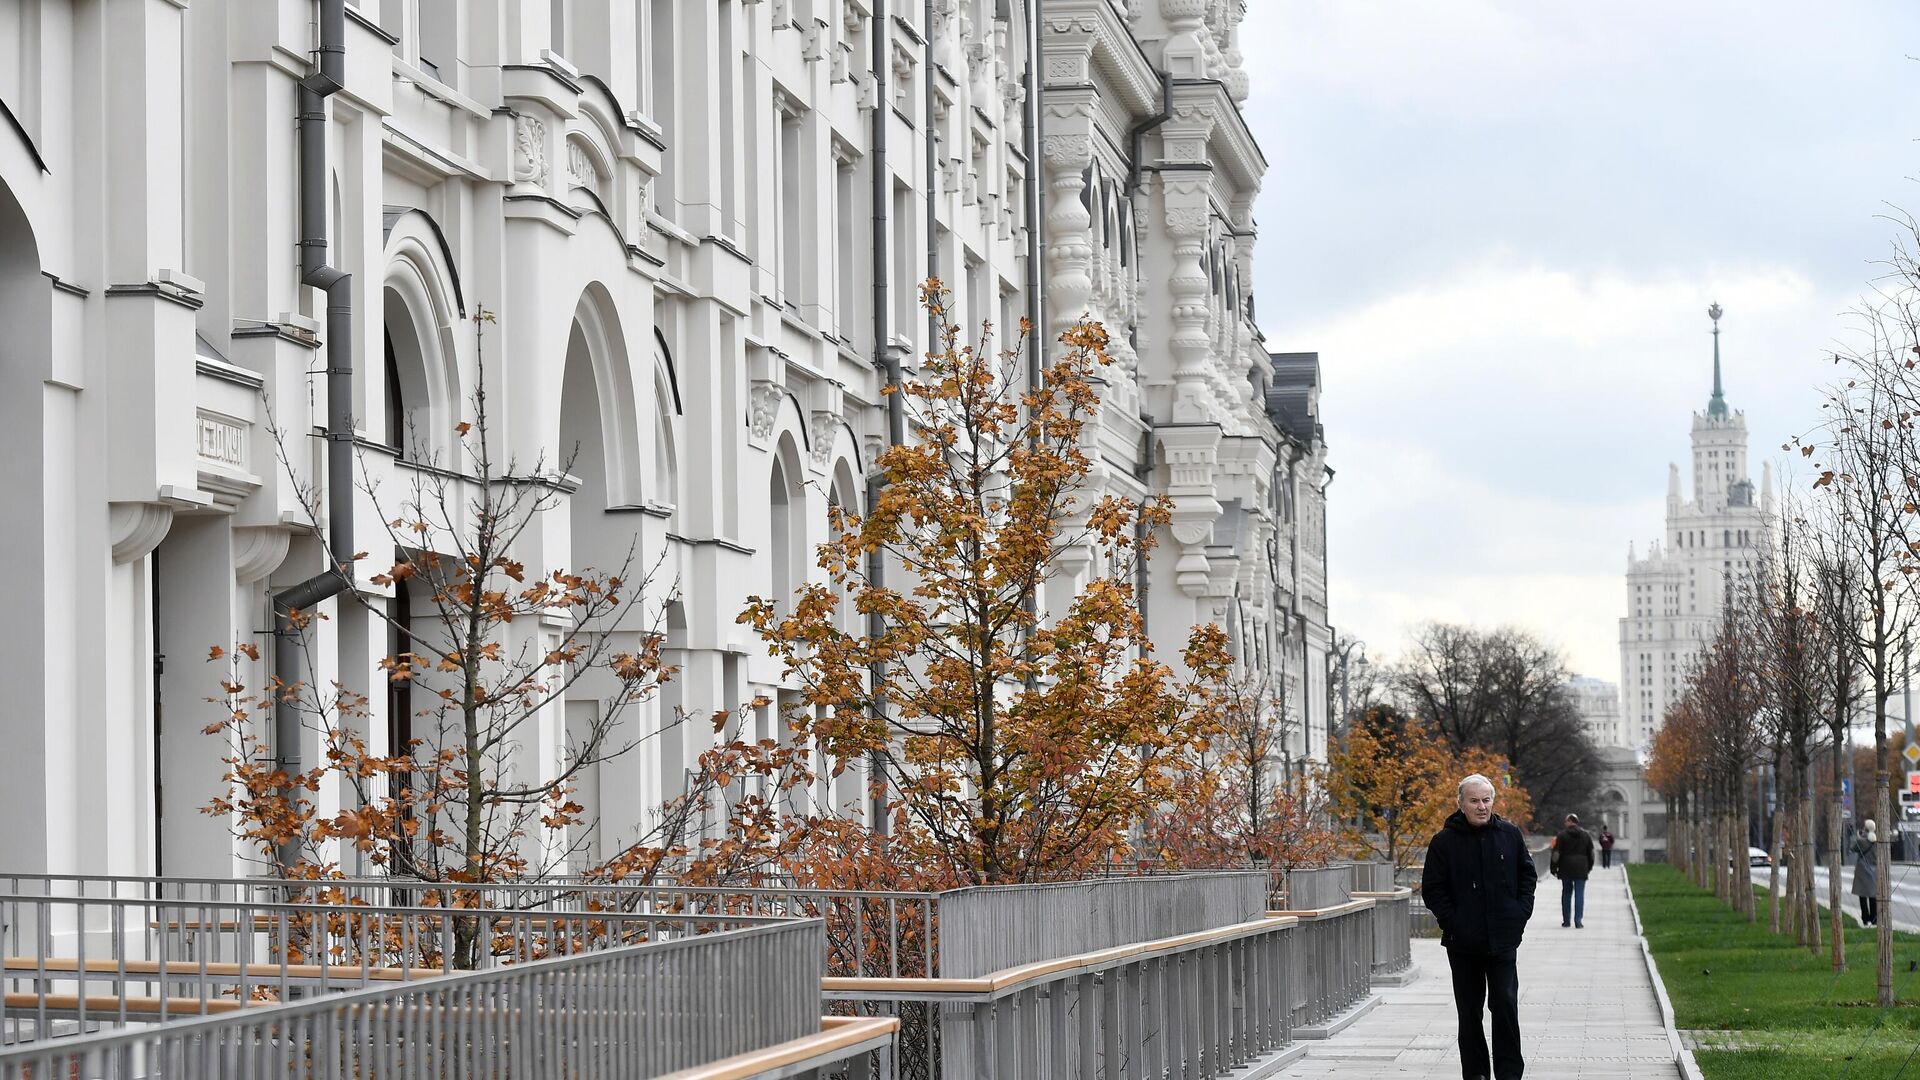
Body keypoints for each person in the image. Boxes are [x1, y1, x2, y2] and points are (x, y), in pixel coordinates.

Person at [1423, 774, 1537, 1080]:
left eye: (1486, 799)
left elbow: (1527, 876)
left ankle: (1509, 1074)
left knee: (1505, 1006)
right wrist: (1454, 922)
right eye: (1474, 800)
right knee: (1469, 1014)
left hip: (1503, 940)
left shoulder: (1510, 834)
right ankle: (1475, 1074)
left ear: (1493, 801)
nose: (1481, 806)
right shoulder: (1443, 842)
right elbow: (1433, 889)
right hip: (1463, 945)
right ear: (1460, 803)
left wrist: (1520, 913)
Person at [1551, 813, 1595, 928]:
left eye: (1566, 821)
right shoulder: (1586, 835)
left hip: (1566, 867)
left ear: (1570, 821)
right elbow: (1591, 853)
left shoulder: (1561, 835)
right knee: (1579, 894)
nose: (1565, 823)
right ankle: (1578, 921)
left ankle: (1566, 921)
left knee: (1566, 893)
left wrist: (1553, 867)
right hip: (1581, 867)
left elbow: (1556, 853)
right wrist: (1589, 866)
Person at [1853, 819, 1879, 927]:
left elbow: (1853, 848)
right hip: (1874, 870)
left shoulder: (1861, 841)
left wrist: (1858, 837)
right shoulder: (1877, 841)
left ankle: (1865, 918)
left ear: (1865, 828)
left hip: (1862, 870)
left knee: (1862, 895)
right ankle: (1874, 918)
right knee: (1873, 895)